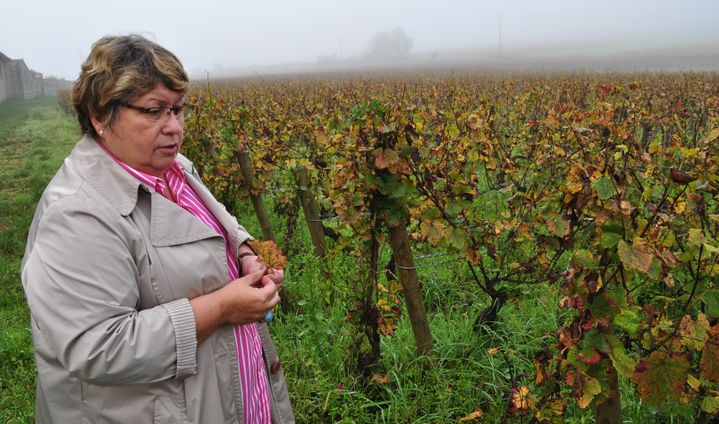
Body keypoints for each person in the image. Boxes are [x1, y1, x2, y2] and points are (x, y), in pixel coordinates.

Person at [21, 34, 294, 423]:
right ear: (100, 116)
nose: (174, 128)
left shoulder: (175, 168)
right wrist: (220, 307)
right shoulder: (77, 214)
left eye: (178, 110)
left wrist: (247, 255)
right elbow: (97, 347)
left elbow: (218, 227)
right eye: (154, 111)